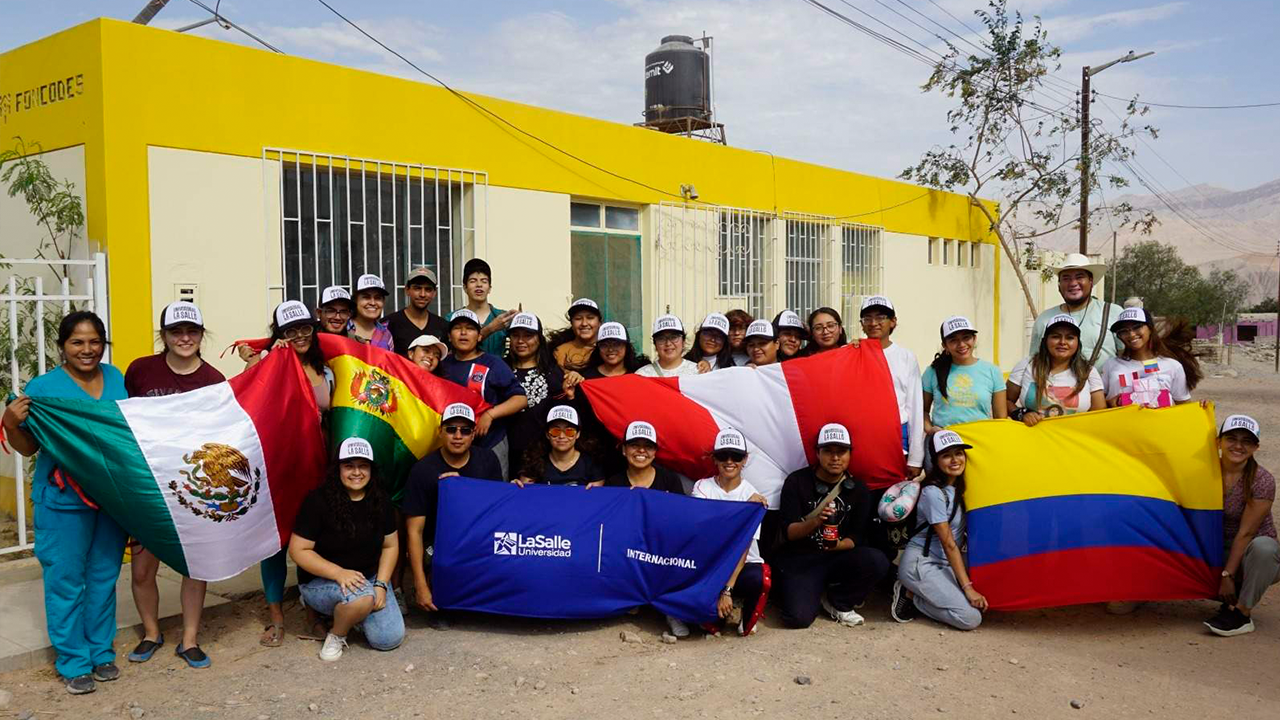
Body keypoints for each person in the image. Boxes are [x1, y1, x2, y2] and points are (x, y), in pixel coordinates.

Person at [2, 311, 128, 694]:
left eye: (94, 342)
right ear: (62, 347)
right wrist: (10, 423)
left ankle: (101, 652)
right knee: (66, 581)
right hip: (63, 500)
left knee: (104, 576)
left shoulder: (116, 379)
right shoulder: (43, 388)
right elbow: (29, 447)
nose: (87, 350)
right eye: (77, 342)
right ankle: (73, 661)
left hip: (110, 498)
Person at [124, 302, 225, 669]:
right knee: (142, 569)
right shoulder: (140, 370)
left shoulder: (213, 380)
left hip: (192, 486)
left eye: (191, 331)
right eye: (176, 332)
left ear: (201, 334)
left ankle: (190, 639)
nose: (184, 338)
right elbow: (123, 420)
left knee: (194, 566)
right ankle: (152, 633)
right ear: (163, 335)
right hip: (147, 486)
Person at [237, 300, 334, 646]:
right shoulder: (269, 363)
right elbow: (248, 396)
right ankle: (276, 616)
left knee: (313, 541)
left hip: (316, 465)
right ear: (279, 334)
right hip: (278, 466)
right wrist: (262, 361)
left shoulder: (327, 370)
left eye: (304, 328)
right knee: (275, 543)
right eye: (290, 331)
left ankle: (313, 613)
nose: (299, 336)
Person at [289, 438, 403, 661]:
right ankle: (337, 634)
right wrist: (339, 573)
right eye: (349, 466)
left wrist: (381, 584)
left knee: (388, 639)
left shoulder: (381, 500)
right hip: (323, 581)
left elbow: (390, 545)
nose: (356, 472)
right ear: (338, 469)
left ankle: (352, 613)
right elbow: (298, 550)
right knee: (361, 598)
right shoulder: (317, 501)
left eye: (363, 466)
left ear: (371, 470)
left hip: (369, 578)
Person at [773, 423, 891, 628]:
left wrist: (837, 545)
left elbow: (856, 537)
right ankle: (808, 592)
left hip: (838, 557)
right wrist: (816, 521)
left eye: (841, 452)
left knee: (877, 560)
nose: (835, 458)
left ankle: (839, 601)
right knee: (797, 619)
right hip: (801, 559)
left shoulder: (859, 489)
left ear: (850, 454)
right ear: (817, 453)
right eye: (828, 451)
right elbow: (789, 532)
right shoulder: (797, 481)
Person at [402, 403, 503, 615]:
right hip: (437, 544)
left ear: (473, 434)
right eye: (451, 429)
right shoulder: (422, 469)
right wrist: (420, 585)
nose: (458, 436)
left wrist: (463, 488)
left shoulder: (487, 460)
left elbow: (497, 509)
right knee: (440, 583)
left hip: (477, 538)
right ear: (440, 432)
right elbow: (414, 531)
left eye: (465, 430)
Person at [596, 421, 688, 637]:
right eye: (634, 445)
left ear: (655, 452)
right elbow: (608, 525)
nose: (641, 451)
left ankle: (671, 611)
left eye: (647, 446)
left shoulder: (669, 479)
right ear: (624, 450)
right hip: (628, 548)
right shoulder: (614, 483)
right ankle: (630, 599)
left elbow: (682, 518)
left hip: (661, 547)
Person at [891, 430, 986, 630]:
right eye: (946, 456)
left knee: (988, 590)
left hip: (947, 563)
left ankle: (925, 592)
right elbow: (948, 543)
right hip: (922, 563)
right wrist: (967, 588)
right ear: (935, 461)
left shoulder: (963, 488)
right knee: (970, 618)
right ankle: (911, 595)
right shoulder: (932, 493)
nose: (955, 460)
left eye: (958, 453)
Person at [691, 428, 770, 636]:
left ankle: (744, 612)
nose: (729, 461)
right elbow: (703, 530)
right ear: (714, 459)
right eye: (723, 456)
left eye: (735, 456)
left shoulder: (753, 496)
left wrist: (727, 589)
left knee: (760, 577)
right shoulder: (702, 487)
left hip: (741, 566)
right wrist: (741, 511)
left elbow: (743, 548)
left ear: (744, 460)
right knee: (711, 626)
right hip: (711, 561)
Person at [1205, 415, 1278, 636]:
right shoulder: (1203, 472)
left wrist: (1227, 575)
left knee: (1265, 547)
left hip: (1251, 557)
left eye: (1247, 441)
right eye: (1231, 438)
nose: (1238, 446)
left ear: (1256, 447)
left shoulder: (1262, 480)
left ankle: (1241, 614)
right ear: (1218, 442)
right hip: (1216, 548)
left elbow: (1246, 533)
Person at [439, 308, 528, 479]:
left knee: (493, 490)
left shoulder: (493, 363)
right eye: (457, 328)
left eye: (470, 328)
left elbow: (520, 399)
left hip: (490, 442)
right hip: (452, 446)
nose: (463, 333)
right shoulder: (442, 365)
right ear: (449, 336)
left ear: (480, 336)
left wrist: (490, 414)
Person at [859, 296, 924, 476]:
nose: (874, 323)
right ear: (862, 324)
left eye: (881, 317)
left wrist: (915, 458)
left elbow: (915, 407)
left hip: (896, 440)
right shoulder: (852, 353)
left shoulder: (906, 357)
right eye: (867, 318)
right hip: (862, 441)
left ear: (893, 322)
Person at [1028, 253, 1124, 368]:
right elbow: (1035, 362)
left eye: (1079, 277)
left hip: (1104, 380)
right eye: (1066, 278)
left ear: (1091, 281)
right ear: (1059, 285)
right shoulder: (1044, 319)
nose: (1073, 283)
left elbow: (1127, 356)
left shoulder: (1112, 313)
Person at [1007, 314, 1105, 425]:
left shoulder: (1089, 371)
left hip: (1074, 435)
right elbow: (1006, 401)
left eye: (1070, 338)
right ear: (1045, 341)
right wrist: (1021, 414)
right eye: (1056, 336)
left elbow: (1100, 413)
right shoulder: (1026, 365)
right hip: (1032, 435)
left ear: (1078, 343)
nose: (1062, 342)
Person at [504, 312, 568, 478]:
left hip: (543, 453)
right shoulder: (501, 369)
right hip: (506, 451)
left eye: (528, 335)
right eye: (515, 335)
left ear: (539, 339)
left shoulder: (552, 372)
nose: (521, 341)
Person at [1101, 307, 1200, 409]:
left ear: (1150, 328)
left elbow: (1184, 406)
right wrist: (1111, 403)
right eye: (1123, 331)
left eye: (1137, 327)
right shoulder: (1110, 365)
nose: (1131, 334)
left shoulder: (1172, 366)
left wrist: (1203, 407)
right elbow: (1098, 404)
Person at [922, 316, 1007, 431]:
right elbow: (923, 411)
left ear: (974, 339)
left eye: (966, 337)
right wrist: (930, 430)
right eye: (953, 340)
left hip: (981, 438)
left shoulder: (992, 371)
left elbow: (1001, 418)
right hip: (944, 439)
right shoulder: (932, 372)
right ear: (945, 345)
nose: (961, 344)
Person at [515, 405, 603, 486]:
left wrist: (595, 492)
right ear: (547, 434)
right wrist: (515, 488)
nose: (561, 436)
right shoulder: (534, 463)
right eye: (555, 431)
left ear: (578, 434)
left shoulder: (591, 465)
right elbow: (524, 493)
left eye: (569, 431)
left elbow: (598, 495)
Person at [385, 266, 449, 356]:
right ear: (407, 290)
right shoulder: (390, 324)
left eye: (428, 289)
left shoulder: (443, 326)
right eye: (417, 288)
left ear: (434, 293)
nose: (422, 294)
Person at [462, 258, 518, 356]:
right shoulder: (453, 318)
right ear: (465, 287)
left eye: (484, 281)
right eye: (473, 281)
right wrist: (491, 328)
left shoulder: (504, 317)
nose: (479, 285)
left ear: (489, 288)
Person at [567, 322, 648, 382]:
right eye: (604, 345)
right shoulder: (586, 378)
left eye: (616, 344)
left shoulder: (639, 374)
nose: (610, 349)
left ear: (626, 346)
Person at [552, 298, 602, 370]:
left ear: (599, 323)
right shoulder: (560, 351)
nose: (584, 323)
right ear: (572, 324)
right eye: (578, 318)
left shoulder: (608, 350)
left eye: (590, 318)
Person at [349, 274, 394, 351]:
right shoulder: (342, 329)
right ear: (355, 300)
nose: (372, 303)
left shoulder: (386, 335)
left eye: (378, 298)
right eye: (366, 297)